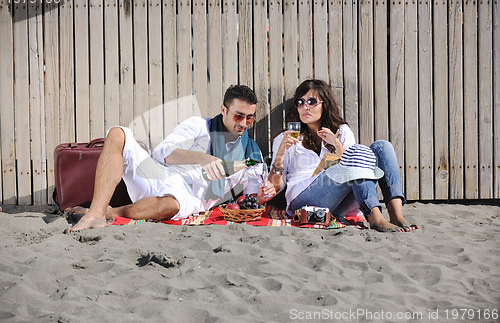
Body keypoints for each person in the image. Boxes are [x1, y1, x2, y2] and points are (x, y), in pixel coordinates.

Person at [64, 85, 276, 233]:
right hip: (159, 175)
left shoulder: (251, 153)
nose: (244, 123)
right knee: (118, 133)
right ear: (223, 110)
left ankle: (109, 212)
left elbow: (250, 198)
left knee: (170, 206)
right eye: (239, 116)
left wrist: (263, 193)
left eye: (249, 117)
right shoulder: (199, 126)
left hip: (188, 196)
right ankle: (94, 214)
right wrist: (202, 158)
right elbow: (162, 153)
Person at [268, 79, 418, 232]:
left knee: (382, 147)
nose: (305, 107)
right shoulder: (285, 138)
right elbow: (275, 186)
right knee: (357, 154)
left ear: (324, 105)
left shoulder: (342, 132)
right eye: (300, 102)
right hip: (303, 199)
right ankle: (375, 217)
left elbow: (356, 169)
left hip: (340, 203)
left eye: (311, 101)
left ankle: (396, 216)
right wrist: (280, 154)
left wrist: (337, 146)